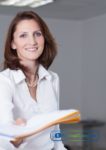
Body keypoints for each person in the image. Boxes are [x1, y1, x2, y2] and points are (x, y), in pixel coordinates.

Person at [0, 11, 67, 150]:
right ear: (13, 43)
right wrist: (14, 138)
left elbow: (55, 131)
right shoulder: (4, 81)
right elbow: (4, 136)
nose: (32, 41)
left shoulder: (53, 79)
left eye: (37, 34)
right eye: (23, 35)